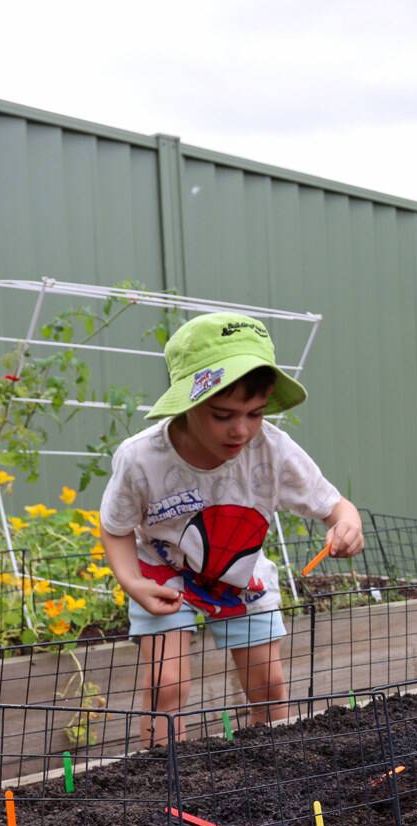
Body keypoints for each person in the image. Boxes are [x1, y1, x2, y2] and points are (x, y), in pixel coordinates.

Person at [99, 312, 364, 745]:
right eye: (223, 414)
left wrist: (347, 526)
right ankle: (162, 780)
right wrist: (131, 581)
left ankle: (270, 772)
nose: (241, 429)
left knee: (269, 689)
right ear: (187, 403)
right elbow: (115, 527)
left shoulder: (272, 452)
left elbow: (336, 506)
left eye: (255, 413)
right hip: (165, 576)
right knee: (165, 688)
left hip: (242, 578)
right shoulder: (142, 459)